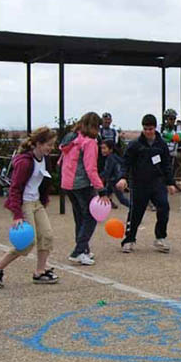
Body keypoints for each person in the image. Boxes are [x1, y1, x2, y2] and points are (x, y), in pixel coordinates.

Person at [0, 127, 59, 287]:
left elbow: (44, 182)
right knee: (27, 242)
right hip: (24, 203)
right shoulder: (25, 162)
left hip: (37, 202)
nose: (51, 148)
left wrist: (43, 200)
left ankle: (40, 272)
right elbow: (15, 189)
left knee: (47, 236)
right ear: (38, 144)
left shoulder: (45, 159)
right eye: (49, 144)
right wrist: (17, 214)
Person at [115, 114, 178, 254]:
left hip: (157, 183)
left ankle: (160, 237)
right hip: (139, 183)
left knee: (164, 207)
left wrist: (170, 183)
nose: (148, 131)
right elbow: (126, 163)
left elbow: (167, 164)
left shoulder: (161, 145)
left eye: (150, 129)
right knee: (136, 212)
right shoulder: (135, 145)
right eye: (145, 129)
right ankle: (129, 239)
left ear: (155, 128)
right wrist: (123, 177)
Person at [60, 112, 109, 266]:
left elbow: (61, 161)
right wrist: (100, 188)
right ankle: (79, 250)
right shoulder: (89, 142)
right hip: (82, 183)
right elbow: (90, 168)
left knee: (79, 217)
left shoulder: (71, 140)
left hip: (67, 183)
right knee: (91, 216)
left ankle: (84, 249)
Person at [99, 139, 130, 208]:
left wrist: (98, 177)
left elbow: (107, 172)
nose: (102, 150)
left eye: (104, 148)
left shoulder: (110, 158)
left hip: (115, 181)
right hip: (113, 180)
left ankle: (134, 207)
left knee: (122, 199)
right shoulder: (115, 156)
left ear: (111, 149)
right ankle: (109, 203)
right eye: (101, 148)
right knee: (106, 193)